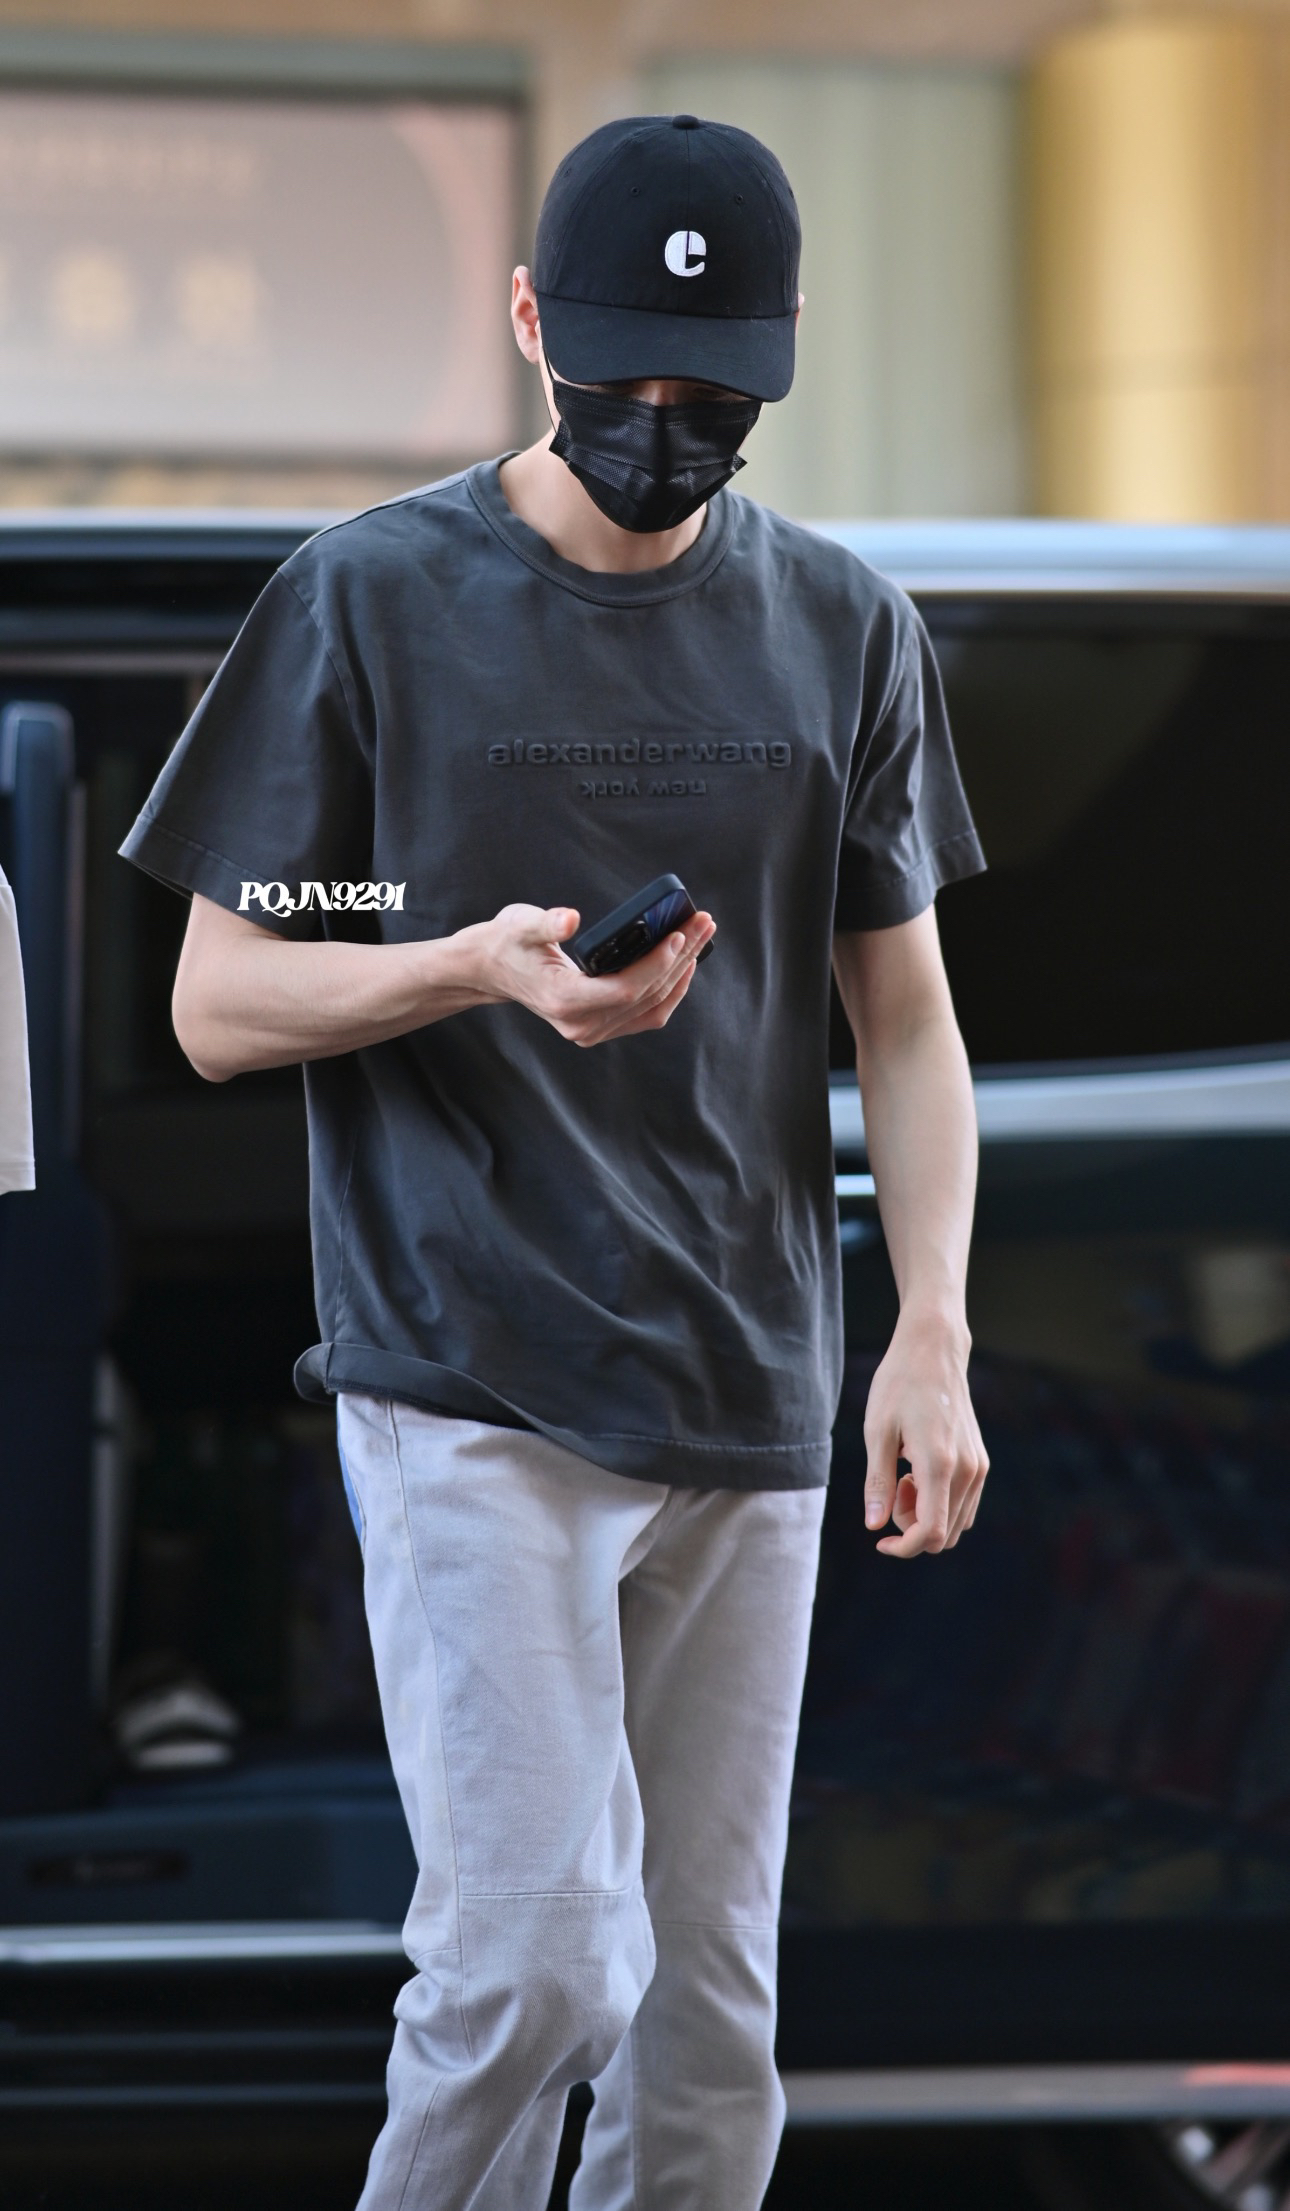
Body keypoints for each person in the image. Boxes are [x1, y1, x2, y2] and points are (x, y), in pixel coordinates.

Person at [120, 112, 989, 2211]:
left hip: (750, 1397)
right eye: (624, 378)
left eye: (716, 392)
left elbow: (906, 1020)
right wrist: (468, 966)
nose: (664, 427)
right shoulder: (367, 602)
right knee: (531, 1967)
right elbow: (222, 997)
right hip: (471, 1380)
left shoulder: (845, 627)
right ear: (526, 323)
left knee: (707, 2036)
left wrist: (931, 1331)